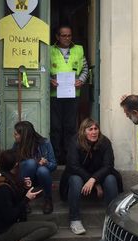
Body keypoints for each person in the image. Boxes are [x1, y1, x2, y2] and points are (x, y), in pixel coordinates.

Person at [59, 118, 123, 235]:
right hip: (78, 176)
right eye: (90, 129)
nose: (94, 132)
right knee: (75, 180)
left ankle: (111, 219)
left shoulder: (105, 142)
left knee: (111, 179)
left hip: (99, 176)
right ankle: (75, 219)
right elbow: (73, 166)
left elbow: (108, 165)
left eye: (96, 129)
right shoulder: (75, 141)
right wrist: (92, 181)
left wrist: (94, 180)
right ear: (83, 131)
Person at [0, 149, 58, 241]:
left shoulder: (5, 176)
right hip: (6, 230)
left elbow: (14, 200)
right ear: (15, 165)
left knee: (53, 220)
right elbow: (9, 216)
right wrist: (26, 199)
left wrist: (25, 189)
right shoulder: (3, 188)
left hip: (12, 223)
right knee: (51, 227)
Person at [50, 24, 89, 165]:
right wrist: (49, 80)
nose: (67, 38)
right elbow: (42, 70)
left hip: (73, 94)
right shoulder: (49, 50)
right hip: (55, 95)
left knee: (71, 127)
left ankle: (69, 158)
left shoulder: (78, 50)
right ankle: (55, 157)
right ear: (57, 37)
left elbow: (85, 68)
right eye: (63, 35)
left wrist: (82, 80)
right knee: (55, 127)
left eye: (69, 35)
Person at [12, 121, 57, 214]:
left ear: (24, 135)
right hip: (25, 179)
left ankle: (48, 199)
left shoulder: (45, 143)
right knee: (31, 163)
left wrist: (46, 163)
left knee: (43, 170)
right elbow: (12, 165)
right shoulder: (17, 145)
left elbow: (53, 166)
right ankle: (25, 199)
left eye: (16, 134)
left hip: (41, 178)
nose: (14, 136)